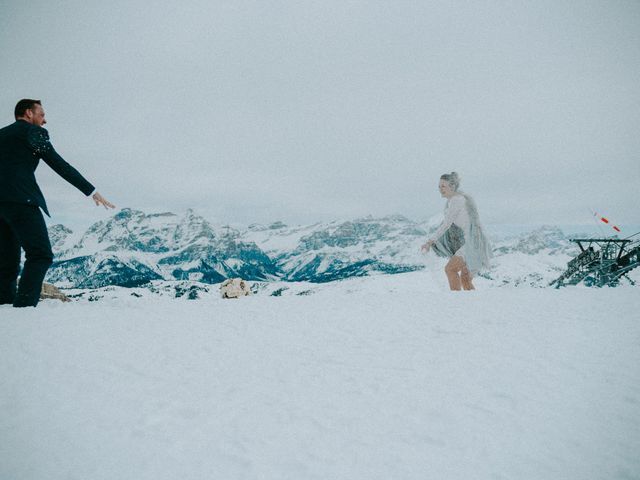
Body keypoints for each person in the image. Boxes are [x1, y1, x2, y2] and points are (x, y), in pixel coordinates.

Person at [0, 99, 115, 307]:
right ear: (28, 113)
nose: (45, 120)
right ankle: (23, 307)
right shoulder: (33, 133)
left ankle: (3, 306)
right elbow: (59, 164)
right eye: (41, 115)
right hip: (21, 201)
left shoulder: (1, 134)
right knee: (40, 254)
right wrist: (92, 191)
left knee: (7, 261)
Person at [421, 172, 491, 290]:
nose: (440, 189)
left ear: (452, 186)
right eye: (439, 186)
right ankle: (472, 306)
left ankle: (456, 303)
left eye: (443, 186)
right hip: (475, 242)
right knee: (465, 279)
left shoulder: (456, 200)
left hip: (471, 244)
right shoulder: (459, 200)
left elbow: (446, 224)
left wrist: (430, 242)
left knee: (450, 269)